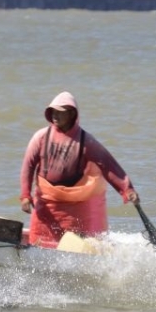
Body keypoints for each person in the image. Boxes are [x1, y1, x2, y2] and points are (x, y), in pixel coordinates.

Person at [19, 91, 139, 248]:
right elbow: (28, 166)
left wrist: (127, 189)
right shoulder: (41, 137)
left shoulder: (85, 141)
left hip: (75, 208)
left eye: (60, 113)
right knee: (40, 243)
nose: (55, 115)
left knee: (77, 246)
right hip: (47, 204)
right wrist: (26, 196)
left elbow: (108, 165)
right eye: (53, 111)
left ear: (72, 114)